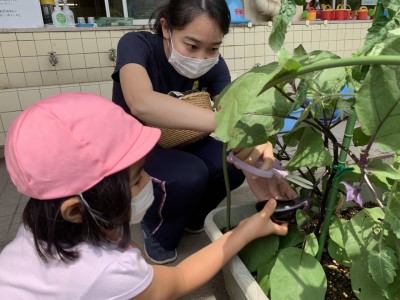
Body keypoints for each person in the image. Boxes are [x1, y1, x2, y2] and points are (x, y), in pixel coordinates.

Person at [0, 93, 289, 299]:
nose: (150, 181)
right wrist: (244, 231)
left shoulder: (34, 233)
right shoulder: (109, 272)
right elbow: (178, 280)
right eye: (137, 178)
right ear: (75, 211)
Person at [112, 0, 296, 265]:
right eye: (191, 45)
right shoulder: (136, 45)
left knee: (231, 166)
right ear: (166, 27)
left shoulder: (214, 66)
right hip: (138, 145)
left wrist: (262, 169)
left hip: (183, 139)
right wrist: (228, 125)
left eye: (213, 48)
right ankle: (157, 228)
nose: (202, 58)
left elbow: (234, 112)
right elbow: (141, 102)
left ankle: (193, 216)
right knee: (189, 175)